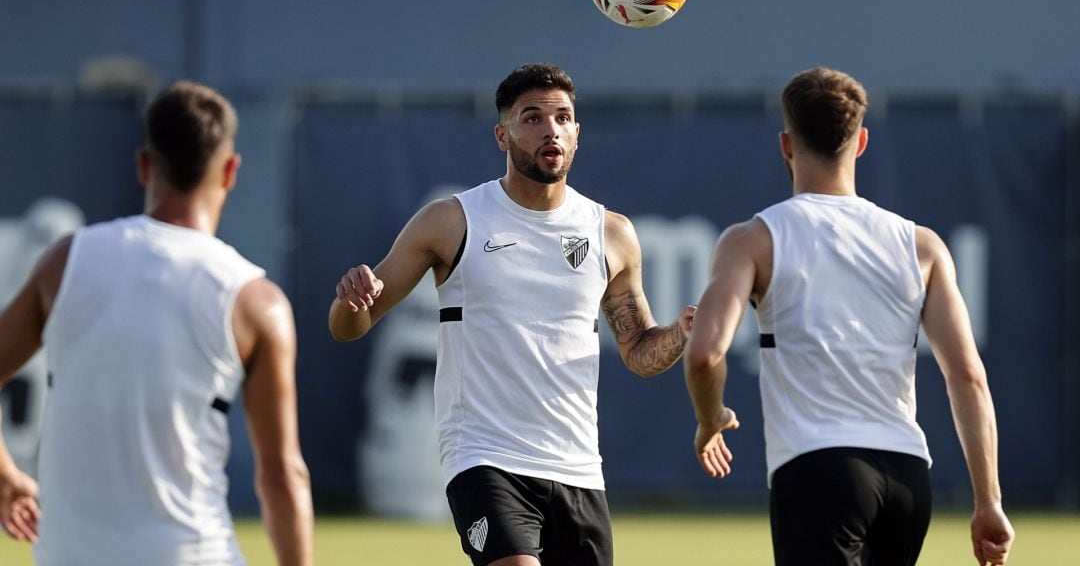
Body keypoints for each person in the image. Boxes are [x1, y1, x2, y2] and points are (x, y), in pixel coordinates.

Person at [329, 63, 694, 566]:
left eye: (563, 117)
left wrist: (681, 334)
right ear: (502, 135)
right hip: (484, 458)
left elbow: (639, 351)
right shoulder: (452, 220)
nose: (551, 129)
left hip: (578, 469)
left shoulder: (611, 233)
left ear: (577, 133)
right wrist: (351, 303)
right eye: (532, 118)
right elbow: (350, 326)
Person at [683, 67, 1015, 566]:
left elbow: (705, 354)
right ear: (860, 142)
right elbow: (967, 375)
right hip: (907, 476)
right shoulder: (922, 246)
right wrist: (988, 500)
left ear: (786, 145)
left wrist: (710, 420)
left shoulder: (752, 240)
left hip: (819, 471)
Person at [0, 81, 314, 565]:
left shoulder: (65, 261)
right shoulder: (258, 304)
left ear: (145, 165)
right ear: (230, 172)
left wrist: (4, 474)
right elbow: (281, 475)